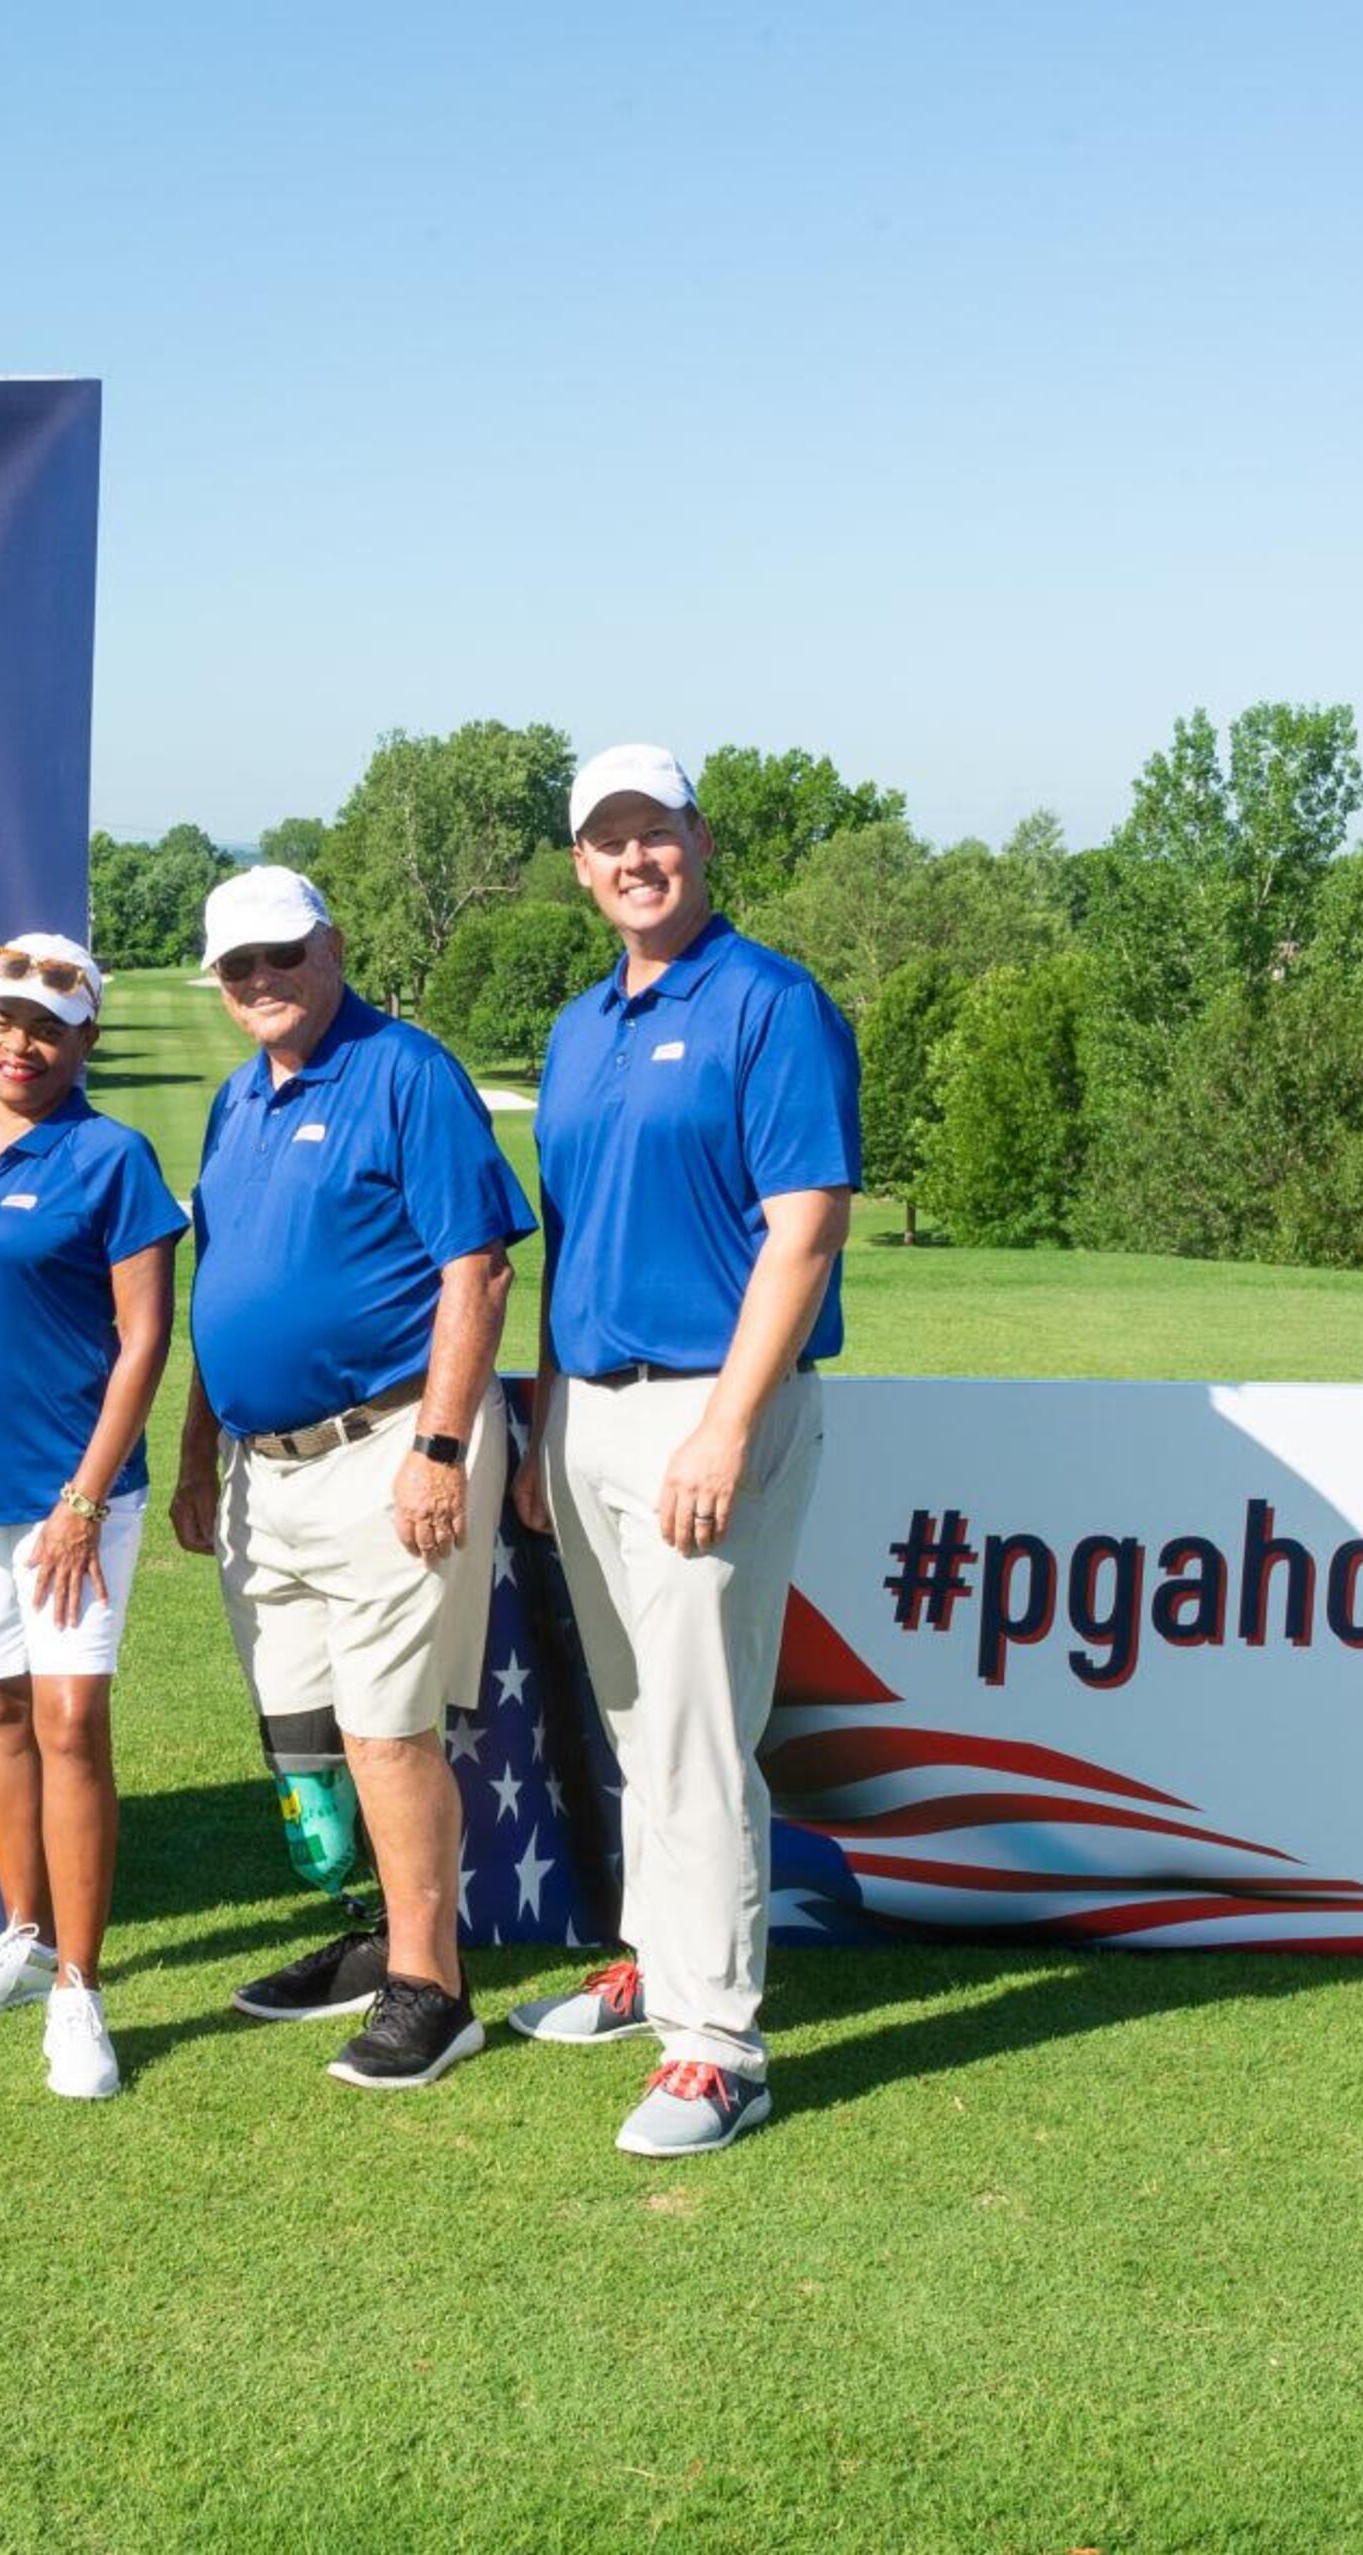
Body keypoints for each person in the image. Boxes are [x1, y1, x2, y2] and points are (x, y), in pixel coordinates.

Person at [508, 744, 859, 2158]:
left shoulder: (770, 1000)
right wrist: (542, 1415)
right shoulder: (582, 1023)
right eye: (608, 841)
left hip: (717, 1400)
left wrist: (724, 1420)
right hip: (592, 1402)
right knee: (642, 1715)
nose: (634, 858)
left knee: (703, 1727)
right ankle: (658, 1957)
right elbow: (571, 1234)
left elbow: (808, 1223)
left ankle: (719, 2044)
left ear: (700, 841)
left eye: (656, 832)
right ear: (583, 866)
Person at [167, 865, 536, 2092]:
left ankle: (436, 1986)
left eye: (281, 954)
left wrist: (438, 1447)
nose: (260, 981)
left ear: (330, 946)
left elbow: (475, 1271)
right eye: (238, 967)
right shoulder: (236, 1100)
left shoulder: (404, 1070)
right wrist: (194, 1448)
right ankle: (385, 1936)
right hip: (261, 1471)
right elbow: (222, 1291)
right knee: (307, 1732)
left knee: (387, 1727)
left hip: (387, 1447)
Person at [0, 935, 185, 2102]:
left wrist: (82, 1497)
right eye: (6, 1021)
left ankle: (80, 1992)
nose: (21, 1043)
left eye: (48, 1027)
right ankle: (24, 1935)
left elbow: (146, 1338)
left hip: (74, 1498)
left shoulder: (112, 1157)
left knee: (69, 1722)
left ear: (86, 1039)